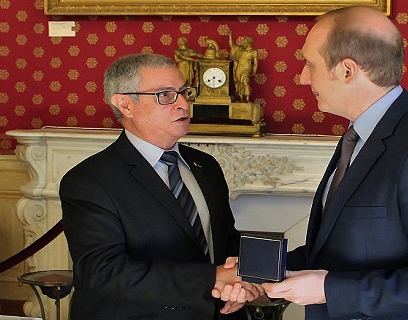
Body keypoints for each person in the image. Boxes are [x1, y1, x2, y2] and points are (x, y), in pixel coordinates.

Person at [261, 6, 408, 319]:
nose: (303, 77)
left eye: (309, 63)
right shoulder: (361, 135)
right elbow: (343, 250)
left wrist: (328, 290)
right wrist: (264, 273)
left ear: (347, 71)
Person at [59, 53, 261, 320]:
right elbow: (104, 273)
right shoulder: (89, 181)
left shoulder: (206, 166)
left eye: (184, 92)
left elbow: (225, 241)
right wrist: (211, 278)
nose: (183, 104)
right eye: (165, 95)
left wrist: (240, 284)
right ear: (124, 104)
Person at [228, 32, 258, 102]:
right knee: (239, 83)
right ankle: (241, 98)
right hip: (239, 67)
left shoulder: (254, 51)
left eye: (244, 41)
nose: (243, 42)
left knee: (245, 82)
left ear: (249, 42)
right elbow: (232, 46)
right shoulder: (240, 48)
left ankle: (247, 98)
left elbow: (255, 63)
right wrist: (230, 37)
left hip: (247, 68)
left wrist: (254, 71)